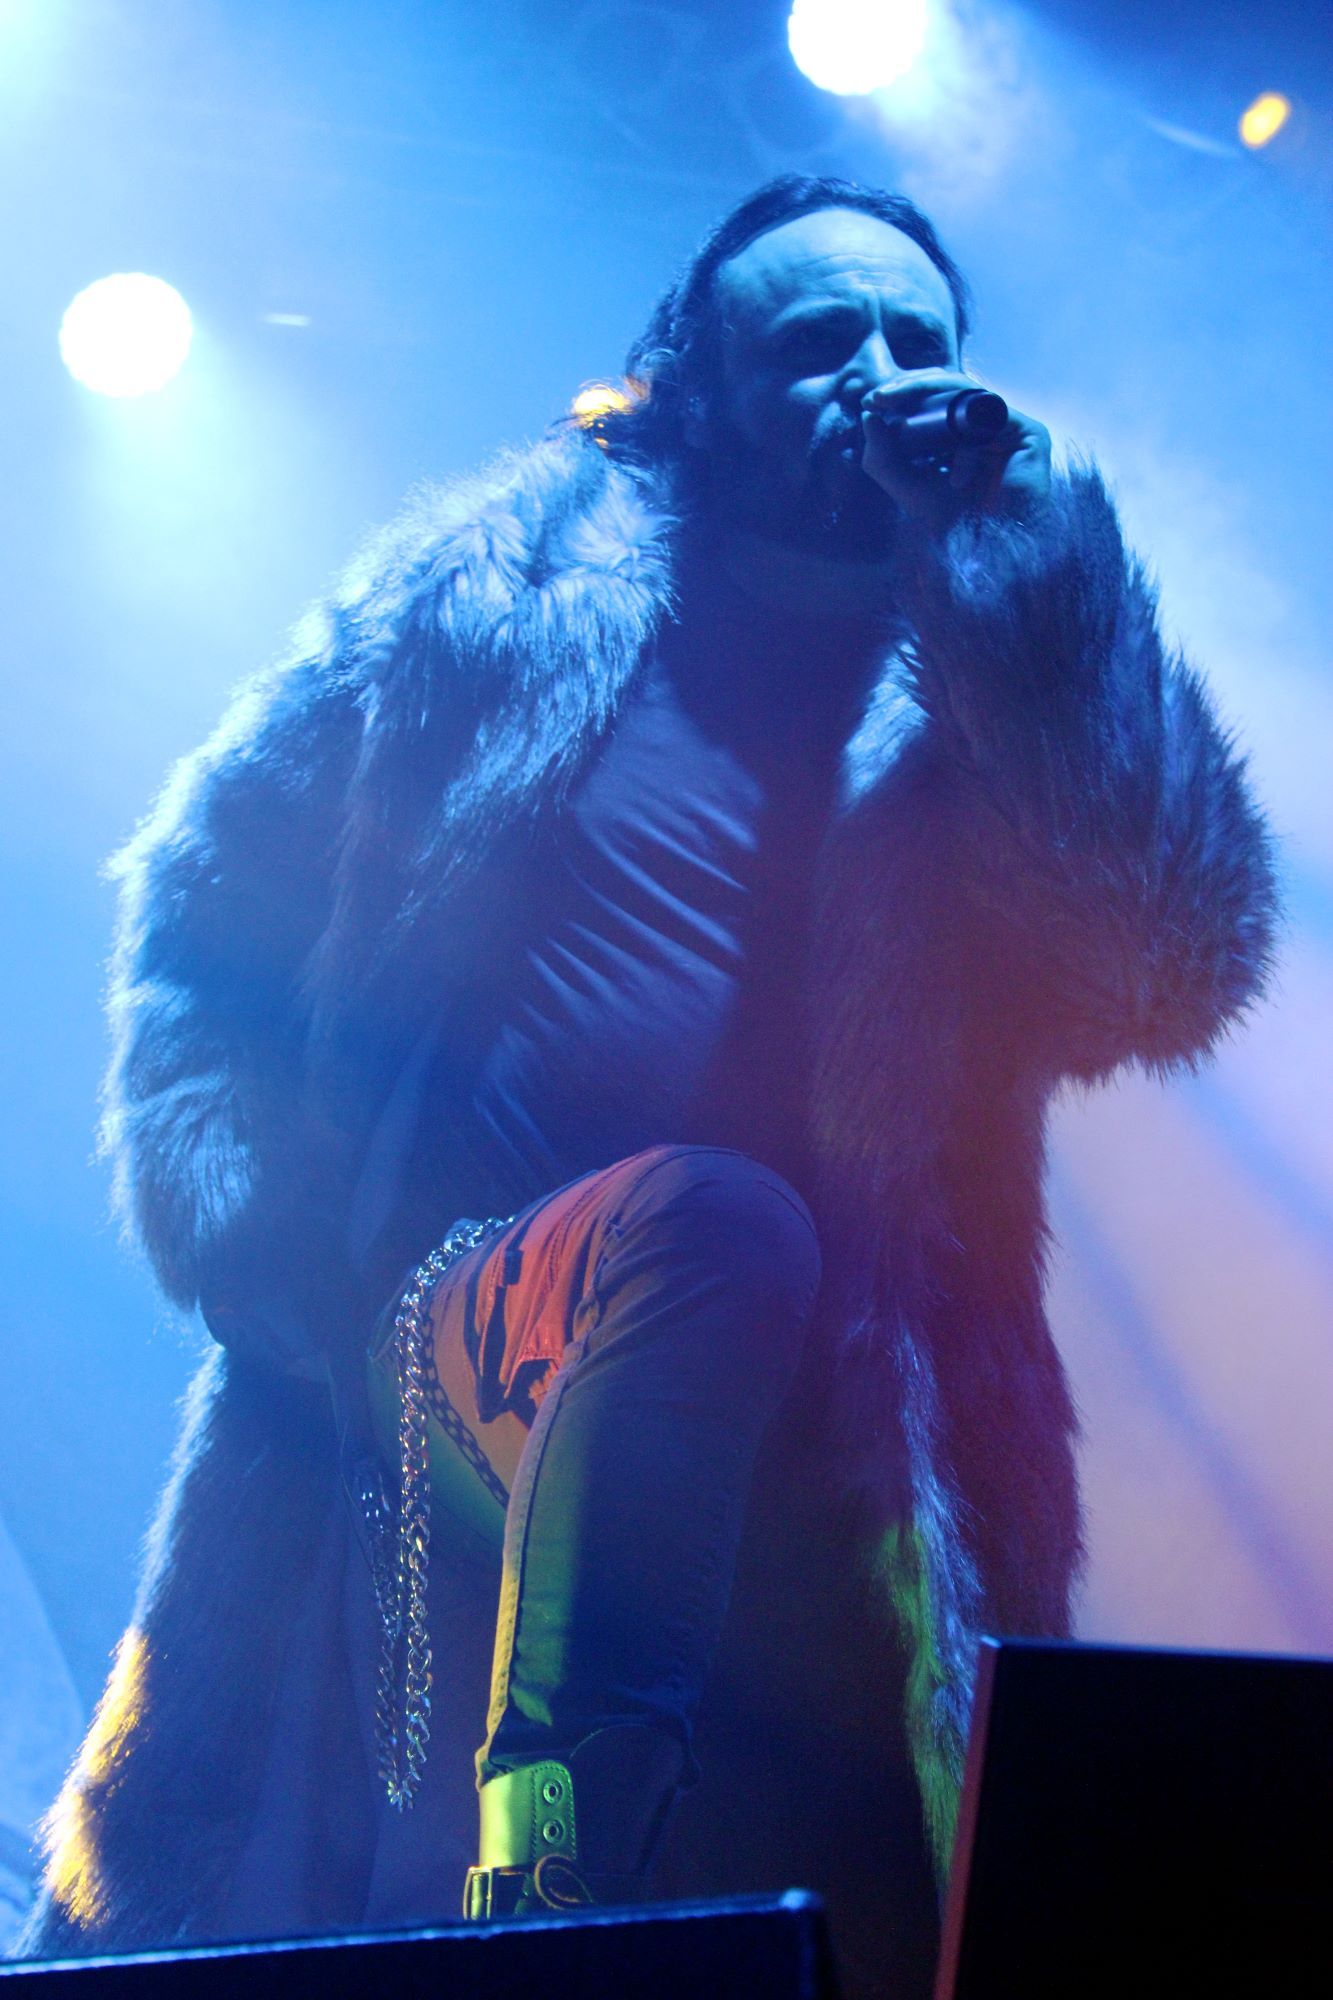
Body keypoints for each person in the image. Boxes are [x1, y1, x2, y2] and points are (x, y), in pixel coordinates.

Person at [19, 177, 1276, 1996]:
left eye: (914, 338)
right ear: (696, 381)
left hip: (835, 1445)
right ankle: (543, 1911)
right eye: (815, 340)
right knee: (716, 1227)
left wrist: (1045, 591)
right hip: (463, 1349)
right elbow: (213, 899)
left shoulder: (991, 692)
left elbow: (1159, 970)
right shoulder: (499, 600)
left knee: (822, 1911)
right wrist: (262, 1250)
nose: (875, 372)